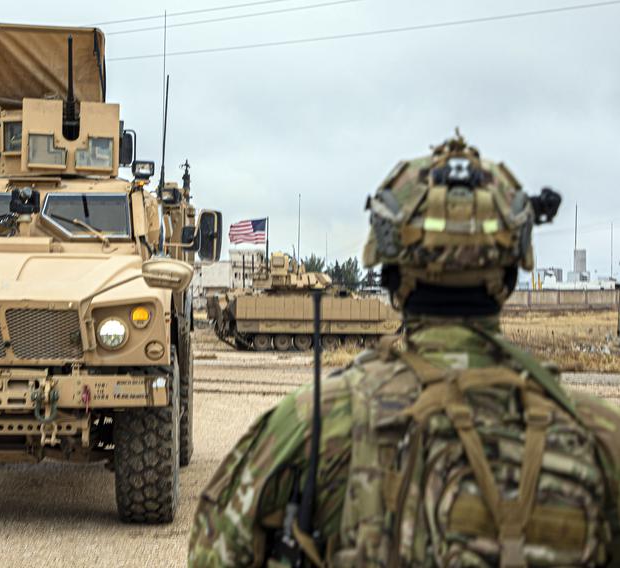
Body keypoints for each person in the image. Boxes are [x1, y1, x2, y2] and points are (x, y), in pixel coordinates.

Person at [188, 134, 620, 567]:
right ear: (511, 272)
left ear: (392, 273)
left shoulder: (312, 426)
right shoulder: (599, 436)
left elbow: (215, 553)